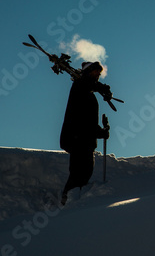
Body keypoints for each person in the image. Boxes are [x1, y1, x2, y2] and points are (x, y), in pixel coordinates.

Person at [60, 61, 110, 205]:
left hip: (84, 140)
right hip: (77, 139)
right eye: (96, 72)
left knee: (85, 172)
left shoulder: (88, 93)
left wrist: (101, 132)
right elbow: (84, 121)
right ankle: (68, 200)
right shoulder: (79, 86)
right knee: (79, 173)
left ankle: (75, 202)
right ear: (88, 72)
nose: (98, 76)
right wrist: (102, 88)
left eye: (99, 73)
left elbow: (89, 122)